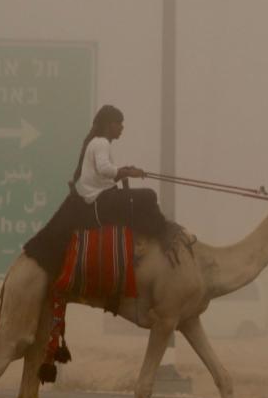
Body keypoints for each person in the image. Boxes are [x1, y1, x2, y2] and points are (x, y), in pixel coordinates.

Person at [23, 104, 176, 276]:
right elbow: (104, 169)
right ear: (109, 125)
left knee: (143, 196)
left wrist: (124, 170)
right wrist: (127, 172)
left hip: (97, 197)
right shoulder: (102, 143)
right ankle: (161, 235)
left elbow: (103, 175)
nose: (122, 127)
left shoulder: (96, 143)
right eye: (119, 123)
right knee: (149, 195)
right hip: (100, 200)